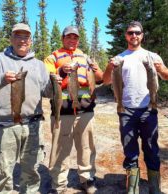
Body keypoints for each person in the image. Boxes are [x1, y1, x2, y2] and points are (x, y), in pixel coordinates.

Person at [0, 23, 58, 193]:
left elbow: (47, 93)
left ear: (30, 41)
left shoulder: (39, 65)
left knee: (31, 170)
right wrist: (2, 78)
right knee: (2, 170)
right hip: (5, 125)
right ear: (11, 38)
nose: (22, 40)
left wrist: (55, 83)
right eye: (18, 36)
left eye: (26, 37)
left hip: (34, 125)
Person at [102, 21, 168, 194]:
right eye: (130, 33)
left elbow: (167, 76)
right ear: (126, 35)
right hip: (126, 110)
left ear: (142, 35)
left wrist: (161, 68)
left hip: (149, 108)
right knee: (130, 150)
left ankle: (154, 187)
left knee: (151, 149)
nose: (134, 36)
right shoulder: (120, 58)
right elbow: (106, 81)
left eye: (137, 32)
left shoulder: (152, 56)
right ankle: (132, 189)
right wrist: (110, 67)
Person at [44, 25, 103, 194]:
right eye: (68, 37)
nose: (72, 40)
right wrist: (61, 70)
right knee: (60, 148)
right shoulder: (53, 57)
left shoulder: (85, 57)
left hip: (86, 110)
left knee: (87, 147)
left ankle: (87, 178)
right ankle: (58, 184)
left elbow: (99, 79)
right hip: (61, 111)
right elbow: (46, 78)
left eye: (75, 37)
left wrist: (96, 68)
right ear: (62, 39)